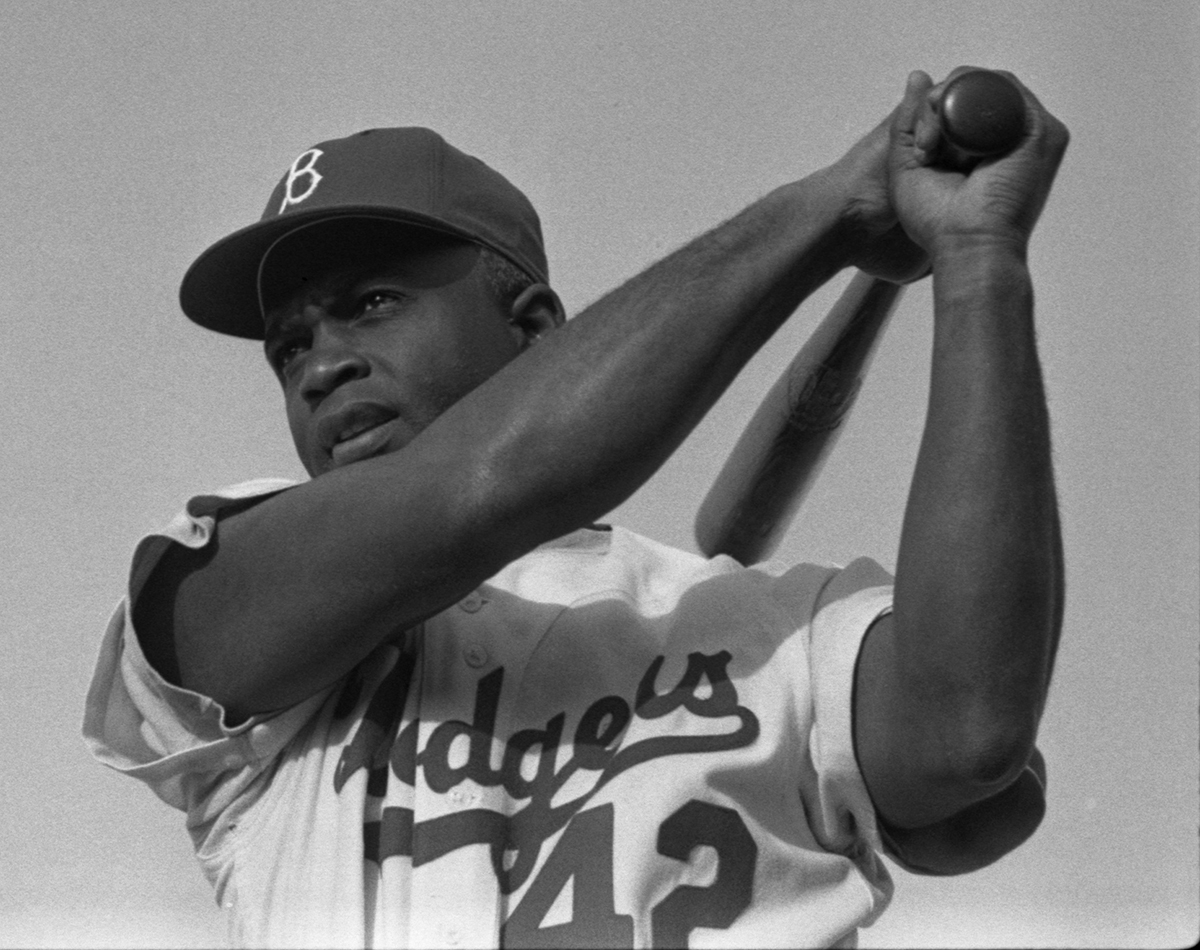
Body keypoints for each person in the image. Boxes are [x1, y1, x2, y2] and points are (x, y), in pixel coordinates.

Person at [84, 68, 1067, 948]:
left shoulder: (777, 626)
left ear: (535, 330)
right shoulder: (217, 597)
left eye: (372, 302)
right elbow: (484, 488)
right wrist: (827, 211)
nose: (320, 365)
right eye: (289, 346)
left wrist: (980, 259)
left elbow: (966, 733)